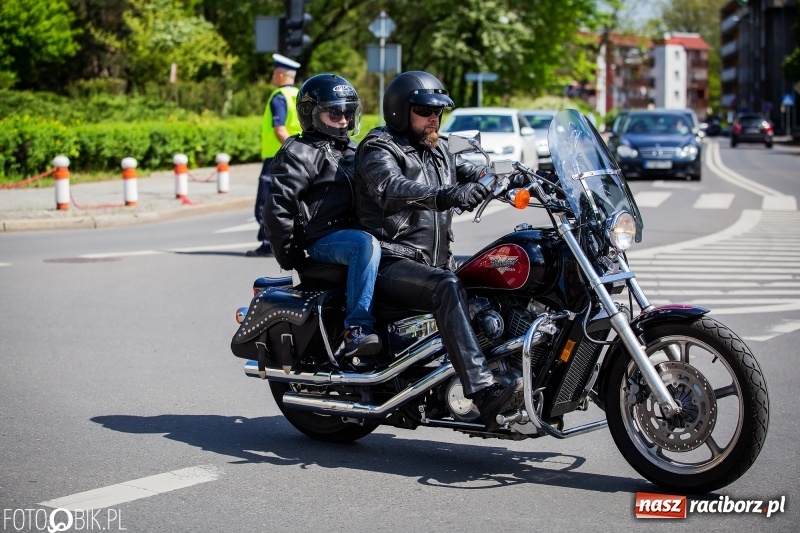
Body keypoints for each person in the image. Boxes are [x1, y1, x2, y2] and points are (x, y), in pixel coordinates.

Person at [353, 70, 524, 430]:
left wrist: (519, 179)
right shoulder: (379, 147)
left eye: (438, 111)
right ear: (400, 110)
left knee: (500, 268)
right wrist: (447, 195)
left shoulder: (439, 148)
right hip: (392, 261)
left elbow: (478, 173)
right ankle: (482, 391)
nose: (433, 117)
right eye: (424, 110)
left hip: (432, 262)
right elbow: (391, 186)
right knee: (446, 286)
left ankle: (508, 363)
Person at [263, 74, 382, 357]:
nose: (343, 119)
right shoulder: (299, 152)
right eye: (335, 112)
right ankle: (357, 329)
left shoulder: (355, 150)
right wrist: (292, 258)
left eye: (348, 112)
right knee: (363, 245)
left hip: (354, 232)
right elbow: (277, 209)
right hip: (323, 238)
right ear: (311, 114)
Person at [246, 54, 303, 257]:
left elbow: (279, 130)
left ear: (280, 75)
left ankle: (267, 244)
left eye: (273, 73)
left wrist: (290, 149)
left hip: (276, 157)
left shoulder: (279, 97)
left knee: (266, 202)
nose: (272, 76)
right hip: (299, 158)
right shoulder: (300, 95)